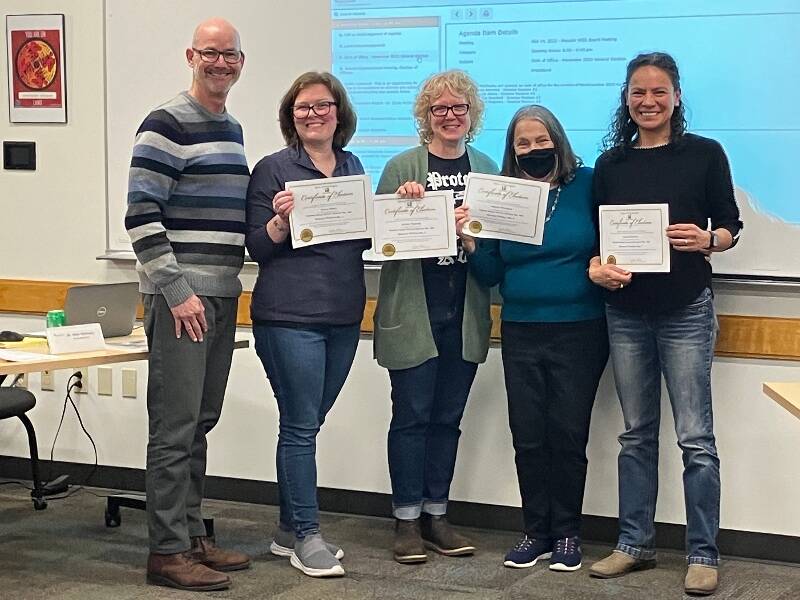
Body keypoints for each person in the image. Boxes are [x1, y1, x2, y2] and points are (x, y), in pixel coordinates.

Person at [586, 52, 742, 596]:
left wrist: (708, 240)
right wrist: (597, 267)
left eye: (658, 92)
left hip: (686, 309)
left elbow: (730, 224)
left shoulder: (704, 154)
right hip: (625, 312)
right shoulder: (610, 164)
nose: (647, 101)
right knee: (635, 435)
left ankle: (702, 553)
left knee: (696, 439)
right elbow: (598, 240)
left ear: (676, 97)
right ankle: (634, 544)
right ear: (626, 99)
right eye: (638, 92)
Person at [125, 18, 251, 592]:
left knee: (200, 422)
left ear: (241, 62)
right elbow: (141, 216)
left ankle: (193, 533)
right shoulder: (165, 122)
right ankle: (167, 552)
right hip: (182, 300)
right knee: (174, 429)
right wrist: (177, 292)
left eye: (229, 54)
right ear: (190, 56)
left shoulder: (233, 129)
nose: (220, 62)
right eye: (210, 52)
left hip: (221, 294)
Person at [469, 106, 608, 572]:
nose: (533, 149)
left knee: (567, 433)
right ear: (512, 151)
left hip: (580, 329)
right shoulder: (502, 194)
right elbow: (490, 272)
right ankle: (535, 532)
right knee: (528, 436)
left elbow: (611, 241)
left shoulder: (587, 184)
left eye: (541, 140)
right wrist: (470, 243)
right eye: (523, 143)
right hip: (521, 329)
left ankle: (567, 533)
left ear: (558, 141)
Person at [245, 71, 368, 578]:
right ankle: (307, 536)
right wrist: (280, 221)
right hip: (288, 318)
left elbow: (364, 238)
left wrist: (403, 209)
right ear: (290, 117)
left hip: (344, 315)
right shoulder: (273, 169)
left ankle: (286, 529)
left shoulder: (353, 166)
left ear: (339, 114)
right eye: (303, 108)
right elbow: (258, 246)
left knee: (305, 424)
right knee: (299, 426)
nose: (313, 115)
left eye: (322, 106)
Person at [372, 70, 498, 564]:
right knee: (412, 417)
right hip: (414, 309)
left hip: (463, 310)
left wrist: (473, 237)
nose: (449, 116)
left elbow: (495, 249)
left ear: (471, 114)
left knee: (447, 419)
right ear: (426, 116)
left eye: (458, 108)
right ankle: (406, 519)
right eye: (439, 109)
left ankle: (436, 515)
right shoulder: (401, 166)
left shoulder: (486, 168)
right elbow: (382, 244)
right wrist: (403, 211)